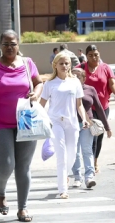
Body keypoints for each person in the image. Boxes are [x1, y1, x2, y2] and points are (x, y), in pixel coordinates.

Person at [0, 30, 43, 222]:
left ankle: (22, 208)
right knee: (6, 165)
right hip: (0, 123)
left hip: (25, 120)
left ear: (18, 44)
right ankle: (0, 192)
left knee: (23, 166)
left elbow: (38, 83)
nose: (9, 47)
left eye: (13, 43)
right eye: (6, 43)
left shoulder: (27, 63)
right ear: (0, 45)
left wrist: (37, 93)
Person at [40, 53, 88, 199]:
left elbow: (79, 105)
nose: (65, 66)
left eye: (67, 63)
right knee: (61, 155)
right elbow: (41, 105)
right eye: (61, 63)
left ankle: (65, 176)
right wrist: (43, 121)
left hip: (72, 122)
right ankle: (63, 189)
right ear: (55, 65)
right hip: (56, 122)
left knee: (72, 155)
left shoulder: (75, 83)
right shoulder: (49, 84)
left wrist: (84, 119)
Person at [75, 45, 115, 173]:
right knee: (89, 137)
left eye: (96, 54)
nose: (94, 57)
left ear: (99, 54)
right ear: (86, 56)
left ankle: (95, 160)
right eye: (90, 55)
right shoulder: (80, 68)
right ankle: (88, 163)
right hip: (86, 109)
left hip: (102, 107)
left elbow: (112, 84)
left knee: (99, 135)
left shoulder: (105, 68)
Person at [71, 68, 111, 189]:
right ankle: (77, 177)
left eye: (78, 77)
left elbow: (99, 108)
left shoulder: (90, 89)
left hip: (86, 124)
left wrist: (107, 127)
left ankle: (89, 177)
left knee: (87, 150)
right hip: (71, 125)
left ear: (84, 78)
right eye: (73, 76)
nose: (76, 79)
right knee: (75, 152)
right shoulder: (68, 90)